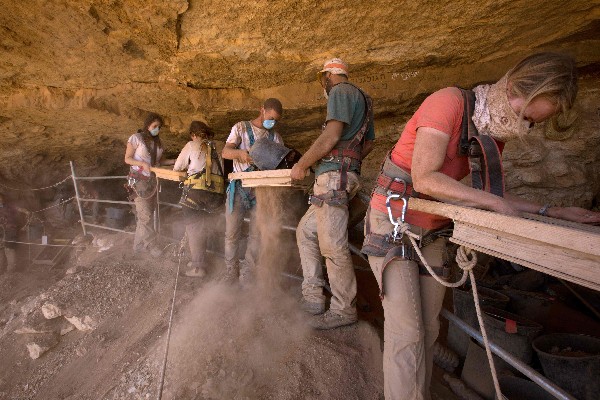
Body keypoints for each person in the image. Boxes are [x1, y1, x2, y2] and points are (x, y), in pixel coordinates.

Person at [361, 52, 600, 400]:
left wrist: (553, 210)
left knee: (428, 329)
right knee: (407, 334)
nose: (524, 127)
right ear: (516, 89)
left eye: (533, 123)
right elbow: (425, 177)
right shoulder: (448, 103)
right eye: (524, 116)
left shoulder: (490, 134)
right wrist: (494, 203)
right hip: (394, 221)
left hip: (433, 228)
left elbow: (484, 196)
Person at [290, 58, 375, 330]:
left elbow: (331, 135)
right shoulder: (364, 99)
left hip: (332, 180)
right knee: (305, 231)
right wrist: (349, 163)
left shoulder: (340, 92)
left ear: (328, 75)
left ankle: (343, 309)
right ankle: (313, 297)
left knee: (333, 247)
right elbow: (369, 143)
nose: (323, 84)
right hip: (344, 176)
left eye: (322, 79)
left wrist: (303, 164)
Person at [221, 98, 284, 284]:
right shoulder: (241, 128)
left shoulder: (276, 138)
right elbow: (225, 152)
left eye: (275, 120)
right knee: (232, 233)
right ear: (262, 110)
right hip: (239, 188)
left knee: (256, 235)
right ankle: (230, 273)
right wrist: (240, 154)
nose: (271, 123)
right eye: (270, 117)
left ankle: (247, 275)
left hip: (261, 193)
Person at [174, 121, 225, 278]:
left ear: (193, 134)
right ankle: (216, 261)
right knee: (210, 226)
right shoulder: (221, 145)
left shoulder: (191, 144)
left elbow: (177, 167)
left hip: (196, 193)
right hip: (216, 195)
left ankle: (198, 267)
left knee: (195, 228)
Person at [124, 112, 174, 258]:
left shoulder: (158, 143)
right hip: (139, 182)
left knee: (145, 214)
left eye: (159, 127)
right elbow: (127, 159)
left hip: (151, 182)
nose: (157, 129)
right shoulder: (136, 138)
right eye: (154, 126)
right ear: (147, 125)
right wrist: (141, 163)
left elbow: (160, 162)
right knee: (145, 215)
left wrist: (174, 161)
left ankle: (138, 246)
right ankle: (150, 245)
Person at [0, 193, 30, 273]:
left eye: (0, 198)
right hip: (1, 232)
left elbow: (19, 209)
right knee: (1, 251)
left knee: (9, 249)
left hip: (10, 231)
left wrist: (26, 211)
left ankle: (10, 272)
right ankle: (2, 272)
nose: (0, 200)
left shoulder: (9, 206)